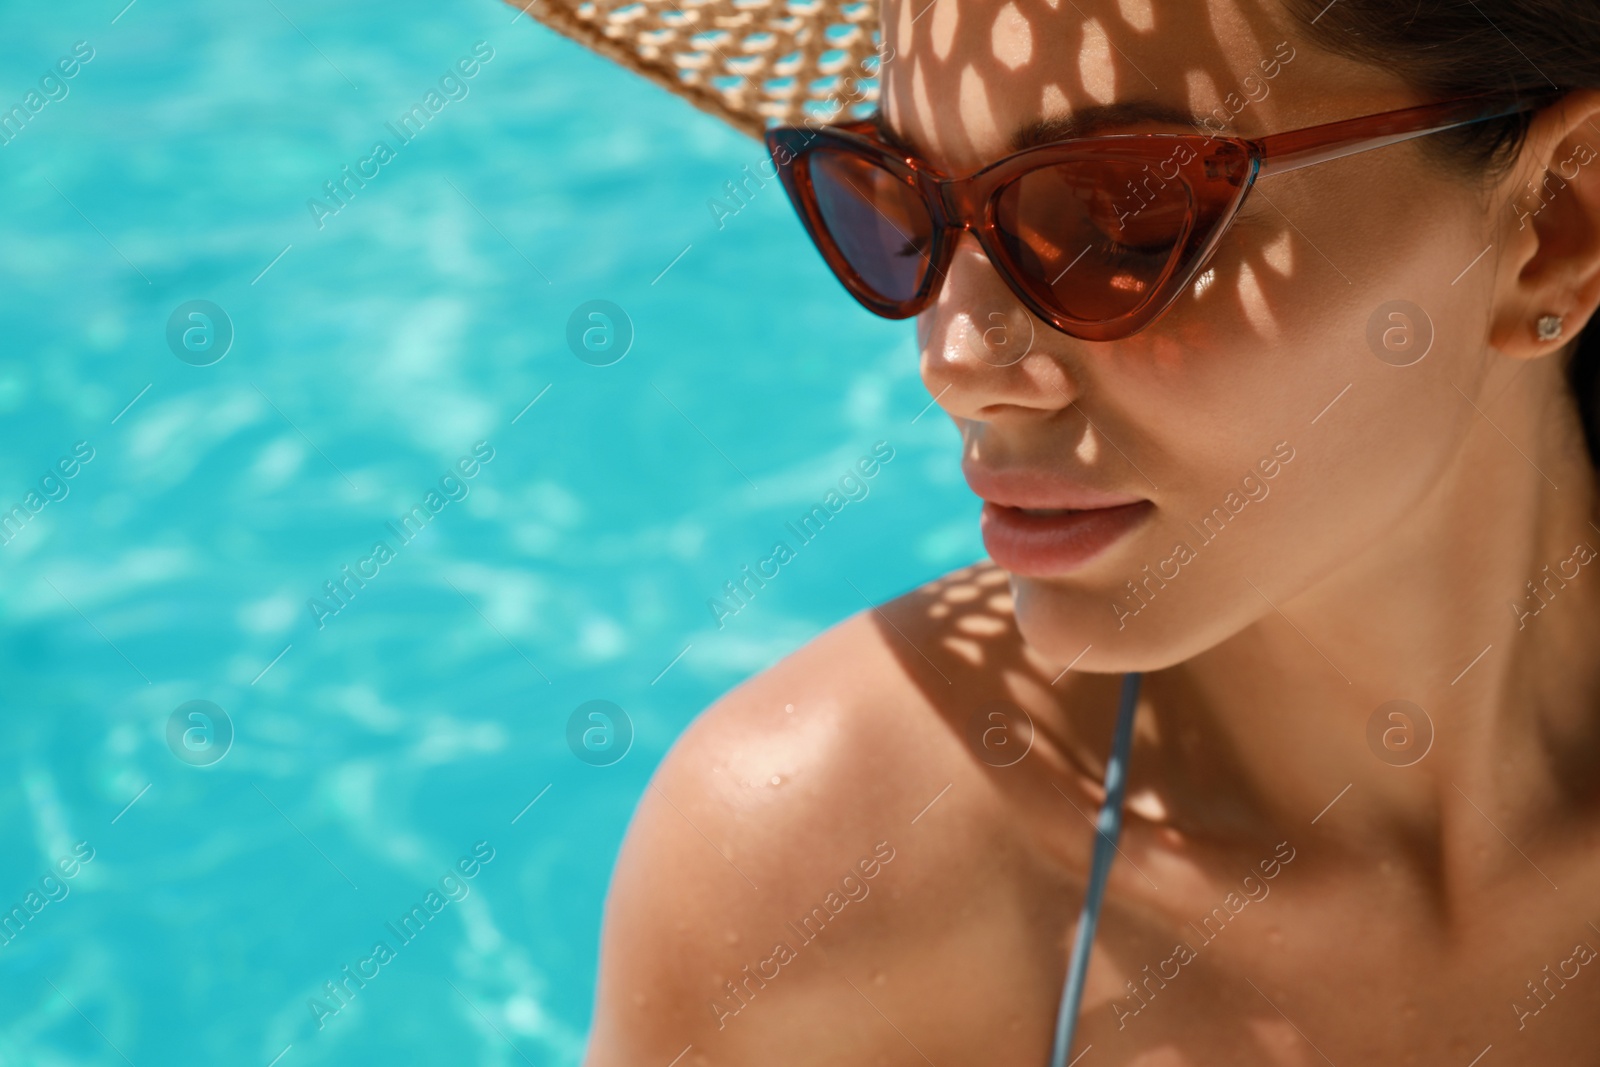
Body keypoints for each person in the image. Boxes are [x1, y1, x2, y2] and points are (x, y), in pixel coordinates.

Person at [511, 0, 1600, 1060]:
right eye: (890, 199)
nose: (956, 362)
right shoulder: (818, 877)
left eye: (1121, 215)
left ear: (1554, 222)